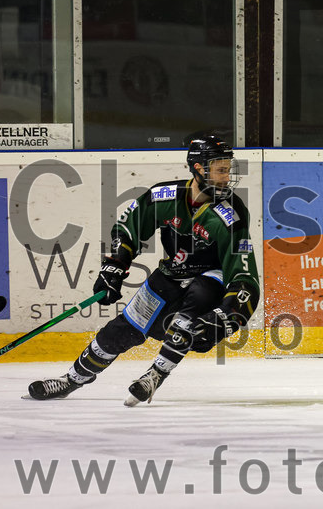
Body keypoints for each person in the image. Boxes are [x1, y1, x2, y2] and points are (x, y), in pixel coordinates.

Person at [26, 134, 261, 406]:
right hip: (172, 273)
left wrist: (227, 316)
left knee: (188, 315)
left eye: (228, 169)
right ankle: (71, 380)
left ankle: (155, 375)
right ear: (199, 168)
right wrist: (114, 266)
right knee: (120, 331)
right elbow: (128, 230)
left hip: (211, 278)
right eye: (221, 170)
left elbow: (244, 275)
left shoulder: (231, 213)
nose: (227, 176)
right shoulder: (164, 196)